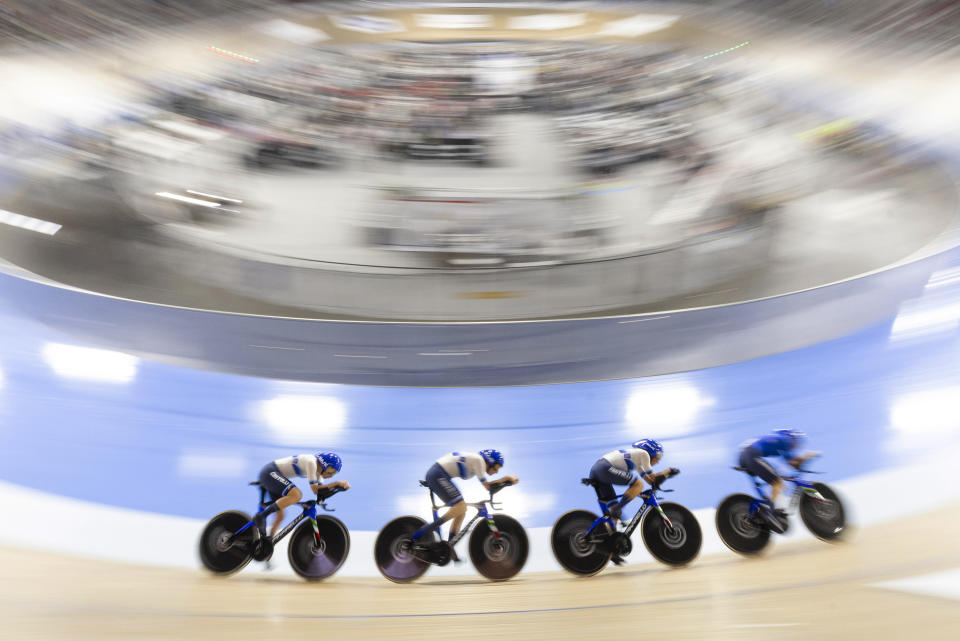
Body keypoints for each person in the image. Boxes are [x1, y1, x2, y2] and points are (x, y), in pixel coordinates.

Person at [413, 449, 518, 560]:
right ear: (490, 461)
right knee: (460, 506)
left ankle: (449, 547)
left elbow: (491, 488)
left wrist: (505, 483)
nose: (496, 472)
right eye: (496, 467)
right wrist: (506, 479)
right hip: (438, 475)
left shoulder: (477, 462)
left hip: (439, 474)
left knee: (461, 511)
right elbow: (488, 487)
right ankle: (430, 528)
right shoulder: (479, 461)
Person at [253, 452, 350, 538]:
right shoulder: (312, 462)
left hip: (275, 475)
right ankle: (261, 516)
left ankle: (267, 543)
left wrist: (339, 489)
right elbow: (315, 489)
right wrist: (337, 483)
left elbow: (320, 491)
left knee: (280, 516)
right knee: (296, 495)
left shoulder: (318, 473)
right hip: (270, 471)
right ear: (324, 464)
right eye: (331, 471)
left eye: (334, 473)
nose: (331, 475)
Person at [738, 428, 819, 527]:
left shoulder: (779, 443)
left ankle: (766, 507)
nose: (795, 446)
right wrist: (807, 457)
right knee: (777, 482)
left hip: (744, 456)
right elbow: (793, 463)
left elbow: (792, 463)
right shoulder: (784, 439)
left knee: (776, 480)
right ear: (792, 437)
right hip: (751, 454)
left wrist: (801, 462)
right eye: (796, 443)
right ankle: (769, 511)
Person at [589, 439, 679, 524]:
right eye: (659, 456)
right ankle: (617, 509)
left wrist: (665, 476)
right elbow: (654, 477)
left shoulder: (638, 463)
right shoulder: (644, 454)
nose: (658, 461)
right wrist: (668, 471)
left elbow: (651, 481)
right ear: (651, 450)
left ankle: (609, 534)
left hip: (597, 469)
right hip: (604, 468)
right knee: (638, 484)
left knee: (613, 515)